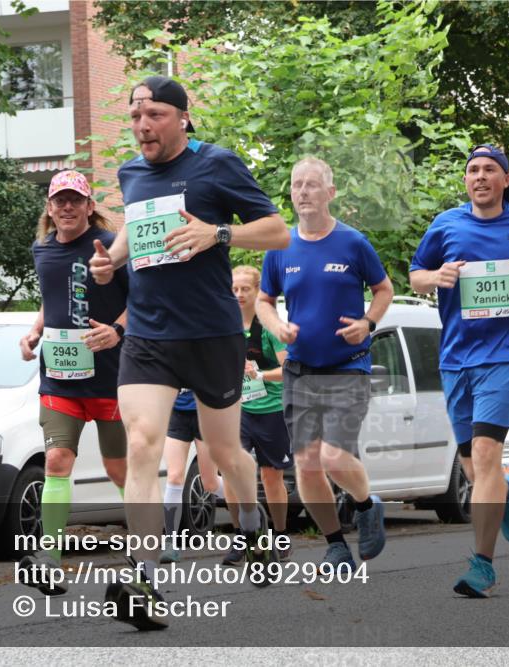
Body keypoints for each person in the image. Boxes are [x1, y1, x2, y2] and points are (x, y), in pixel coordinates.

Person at [89, 75, 289, 630]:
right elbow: (135, 222)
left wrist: (217, 235)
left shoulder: (216, 165)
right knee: (142, 444)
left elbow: (278, 233)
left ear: (182, 116)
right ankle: (143, 576)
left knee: (227, 455)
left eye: (153, 114)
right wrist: (115, 261)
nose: (142, 126)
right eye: (135, 117)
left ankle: (253, 531)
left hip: (211, 333)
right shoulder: (131, 173)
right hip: (150, 336)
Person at [409, 144, 509, 598]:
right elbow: (415, 274)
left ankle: (482, 564)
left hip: (504, 357)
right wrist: (436, 277)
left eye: (489, 170)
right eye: (473, 170)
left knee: (483, 454)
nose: (480, 177)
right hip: (455, 358)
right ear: (467, 180)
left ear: (506, 180)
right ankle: (508, 488)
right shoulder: (446, 224)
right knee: (475, 465)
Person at [257, 157, 394, 571]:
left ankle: (368, 506)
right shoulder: (281, 246)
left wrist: (368, 323)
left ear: (330, 193)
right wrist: (276, 325)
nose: (303, 192)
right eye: (297, 185)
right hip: (300, 369)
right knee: (305, 463)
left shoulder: (353, 243)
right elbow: (264, 300)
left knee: (334, 457)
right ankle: (335, 544)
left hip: (347, 366)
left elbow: (384, 289)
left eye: (312, 185)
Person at [18, 170, 129, 596]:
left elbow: (142, 302)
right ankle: (50, 558)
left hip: (112, 378)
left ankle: (146, 552)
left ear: (88, 206)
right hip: (61, 379)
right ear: (49, 208)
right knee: (57, 462)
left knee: (120, 469)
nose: (66, 207)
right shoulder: (42, 250)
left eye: (74, 200)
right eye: (59, 200)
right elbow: (52, 297)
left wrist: (116, 331)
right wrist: (34, 331)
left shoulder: (109, 248)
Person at [218, 265, 293, 565]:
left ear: (256, 291)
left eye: (244, 289)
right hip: (237, 411)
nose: (238, 294)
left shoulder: (270, 326)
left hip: (272, 410)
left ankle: (281, 534)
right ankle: (241, 536)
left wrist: (260, 375)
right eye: (233, 289)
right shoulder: (225, 325)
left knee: (270, 476)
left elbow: (288, 369)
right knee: (234, 474)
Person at [160, 388, 226, 564]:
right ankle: (170, 542)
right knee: (174, 476)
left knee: (209, 483)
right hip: (176, 413)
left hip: (207, 413)